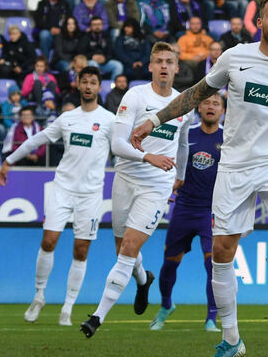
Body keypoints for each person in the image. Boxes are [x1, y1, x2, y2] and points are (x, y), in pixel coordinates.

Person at [128, 0, 268, 357]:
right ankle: (231, 339)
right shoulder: (235, 57)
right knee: (221, 252)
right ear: (259, 22)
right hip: (234, 167)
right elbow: (197, 93)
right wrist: (153, 120)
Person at [79, 43, 194, 339]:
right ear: (151, 66)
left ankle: (97, 317)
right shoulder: (136, 95)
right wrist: (147, 156)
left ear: (177, 68)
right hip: (125, 180)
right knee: (123, 250)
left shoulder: (183, 104)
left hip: (157, 186)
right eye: (159, 61)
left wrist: (179, 175)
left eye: (170, 61)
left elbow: (182, 144)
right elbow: (117, 145)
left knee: (129, 249)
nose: (165, 66)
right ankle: (143, 281)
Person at [0, 66, 115, 327]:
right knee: (49, 241)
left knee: (81, 250)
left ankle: (68, 307)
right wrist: (9, 161)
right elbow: (36, 141)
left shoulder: (109, 120)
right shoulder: (67, 119)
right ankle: (39, 295)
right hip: (63, 188)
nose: (88, 86)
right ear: (77, 84)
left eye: (93, 82)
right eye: (84, 82)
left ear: (99, 87)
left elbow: (123, 150)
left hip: (91, 195)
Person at [150, 93, 225, 333]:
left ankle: (211, 318)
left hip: (210, 212)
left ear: (222, 110)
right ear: (199, 108)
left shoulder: (228, 138)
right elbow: (173, 165)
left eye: (216, 103)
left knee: (212, 265)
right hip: (183, 208)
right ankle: (165, 305)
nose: (211, 106)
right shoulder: (187, 134)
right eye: (206, 102)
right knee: (169, 265)